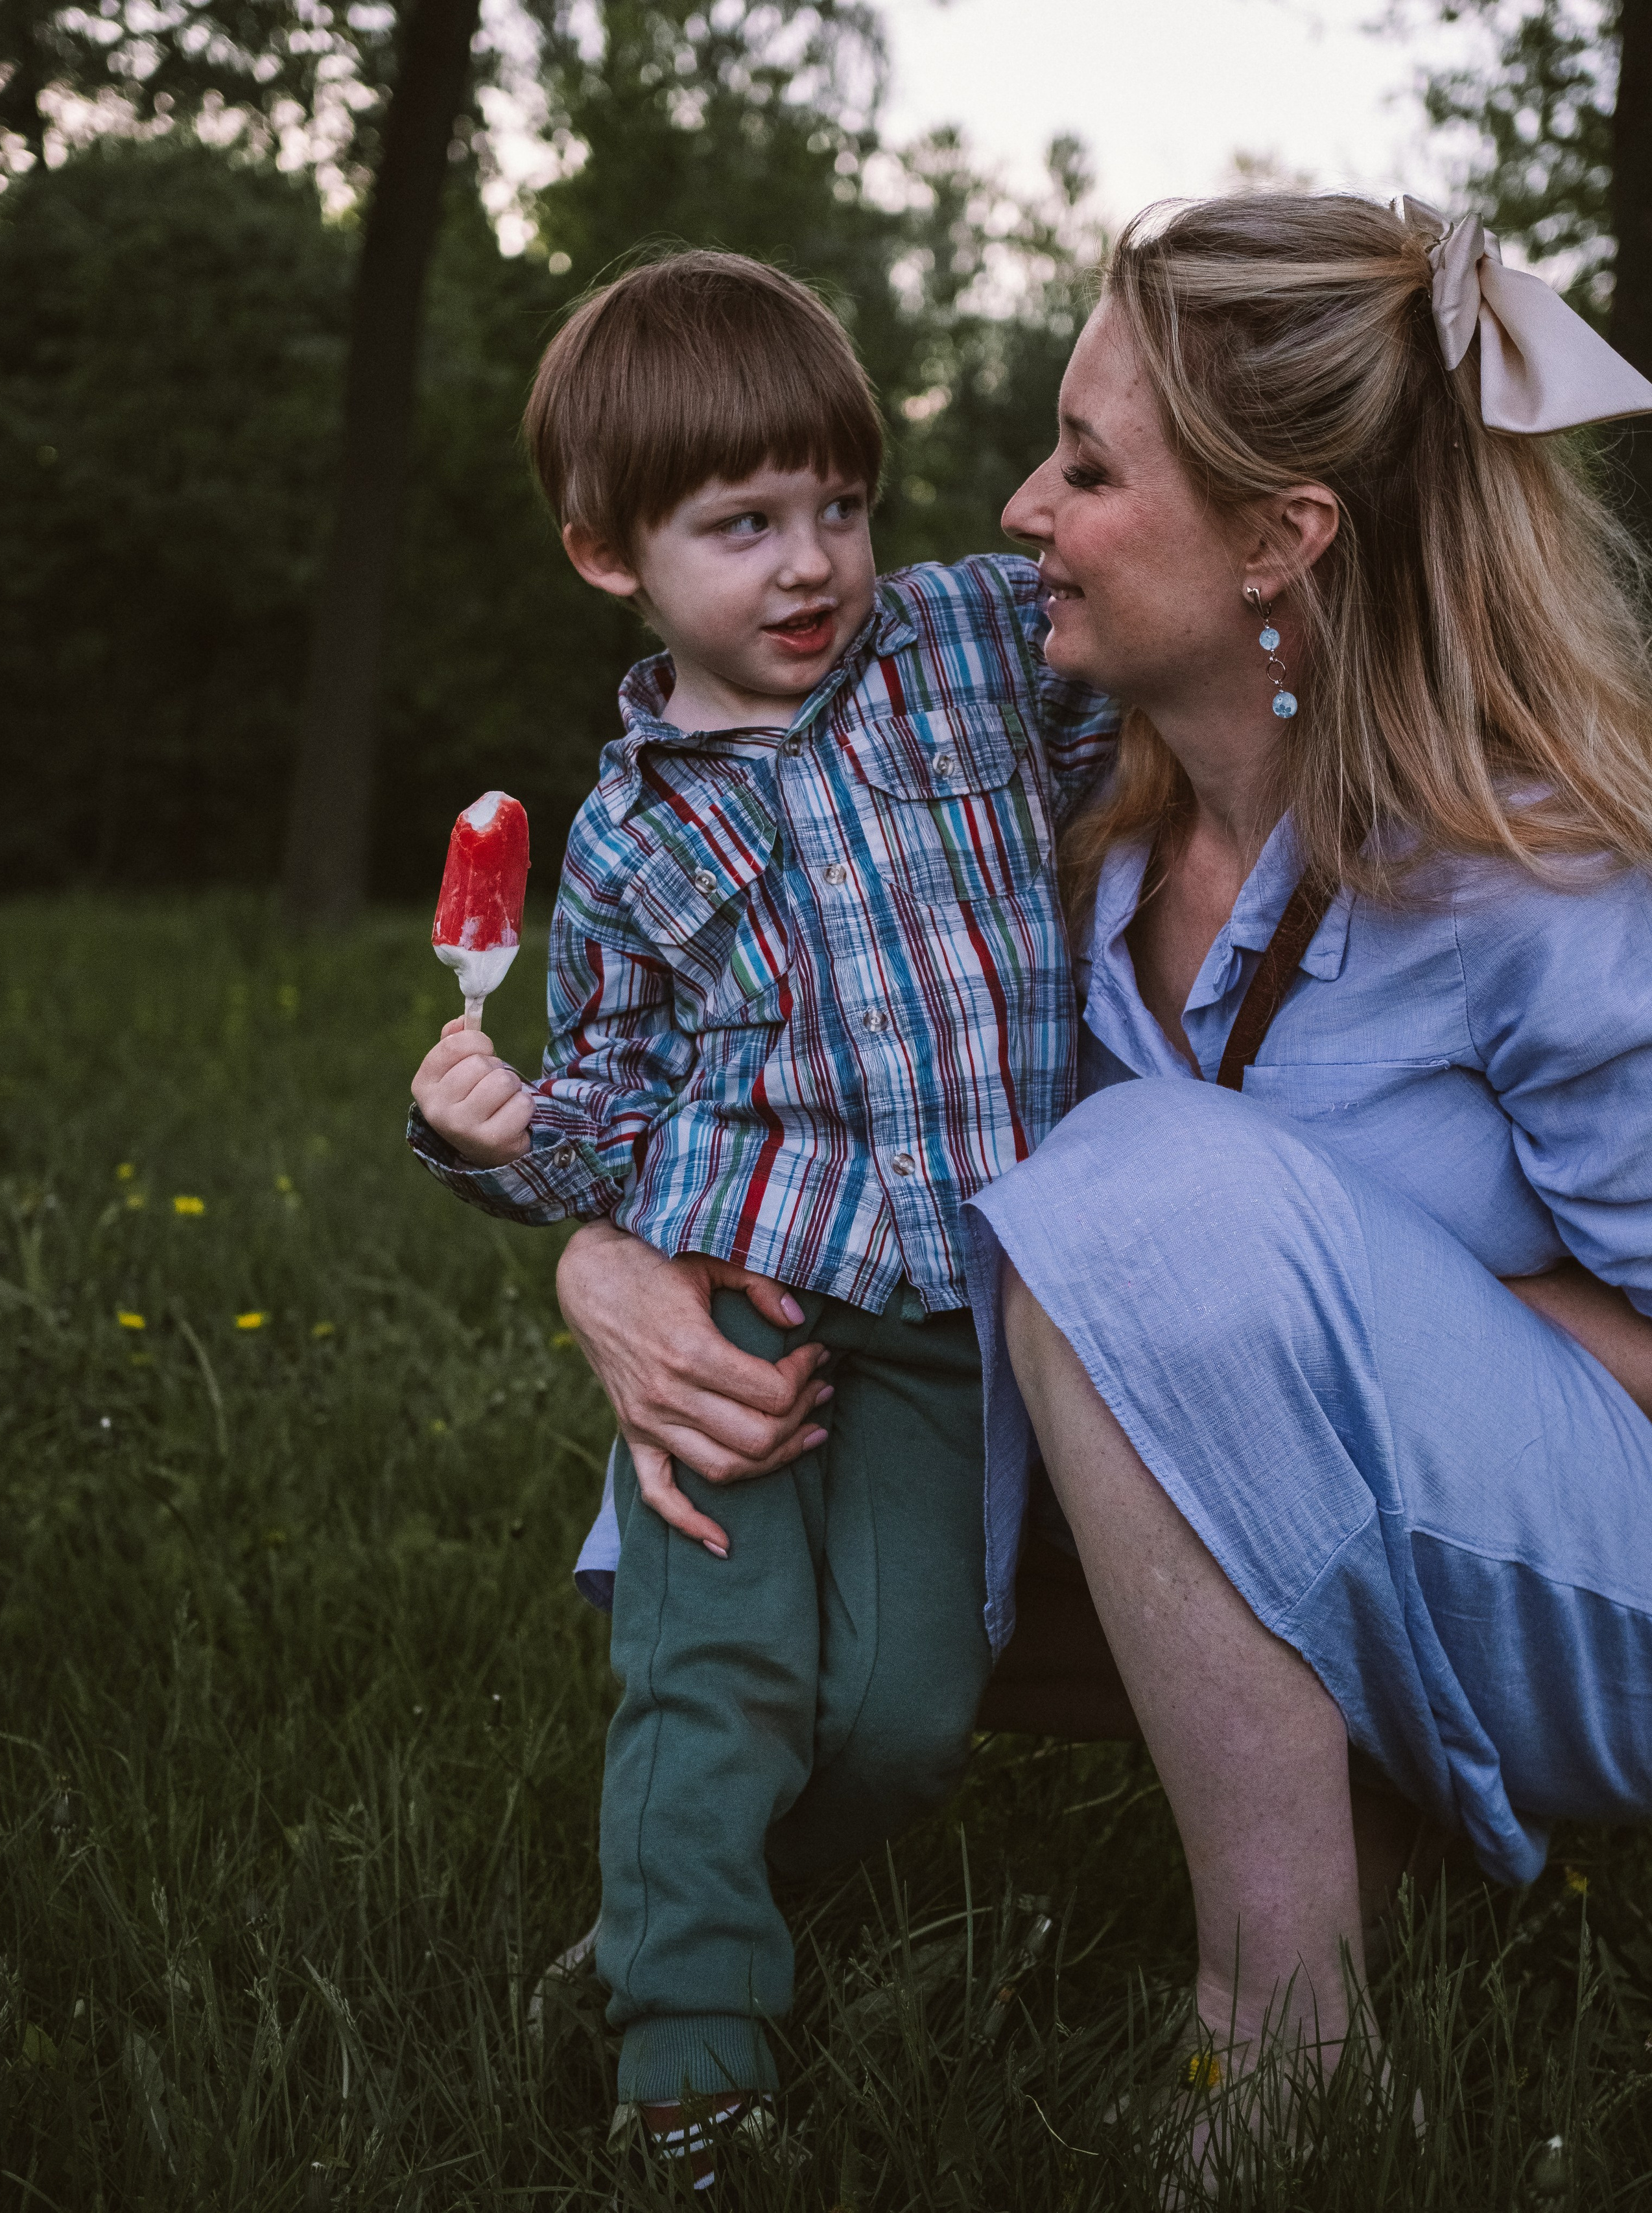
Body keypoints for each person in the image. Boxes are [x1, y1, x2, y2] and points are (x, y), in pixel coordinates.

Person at [958, 189, 1652, 2178]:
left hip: (1602, 1578)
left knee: (1147, 1195)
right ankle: (695, 1905)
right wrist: (613, 1267)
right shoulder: (1067, 796)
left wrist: (1350, 1349)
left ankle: (1294, 2039)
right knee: (846, 1300)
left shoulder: (1537, 879)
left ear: (1286, 541)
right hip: (1362, 1524)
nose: (1024, 507)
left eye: (1088, 468)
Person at [406, 250, 1115, 2181]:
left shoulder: (965, 644)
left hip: (956, 1315)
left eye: (838, 506)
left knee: (898, 1713)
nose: (811, 564)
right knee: (716, 1682)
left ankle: (668, 1914)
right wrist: (499, 1137)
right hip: (744, 1288)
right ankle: (690, 2060)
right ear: (607, 554)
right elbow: (619, 1113)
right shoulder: (634, 832)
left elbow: (1139, 688)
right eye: (742, 525)